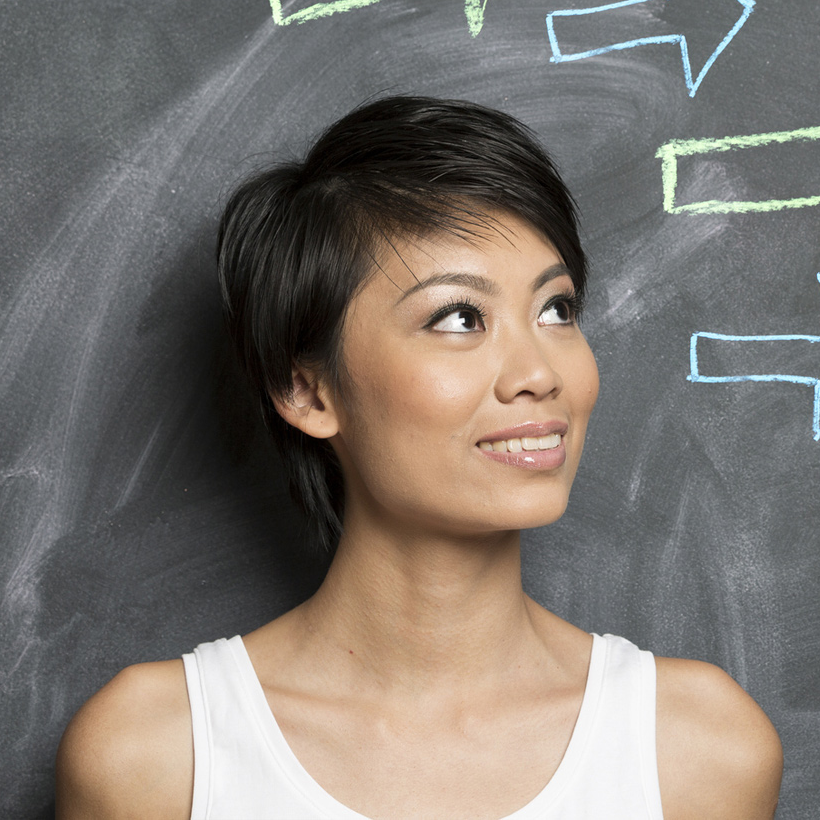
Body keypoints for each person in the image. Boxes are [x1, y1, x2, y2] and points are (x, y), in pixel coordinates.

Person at [55, 97, 783, 819]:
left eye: (555, 309)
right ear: (307, 391)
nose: (538, 371)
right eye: (460, 317)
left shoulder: (696, 752)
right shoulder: (156, 758)